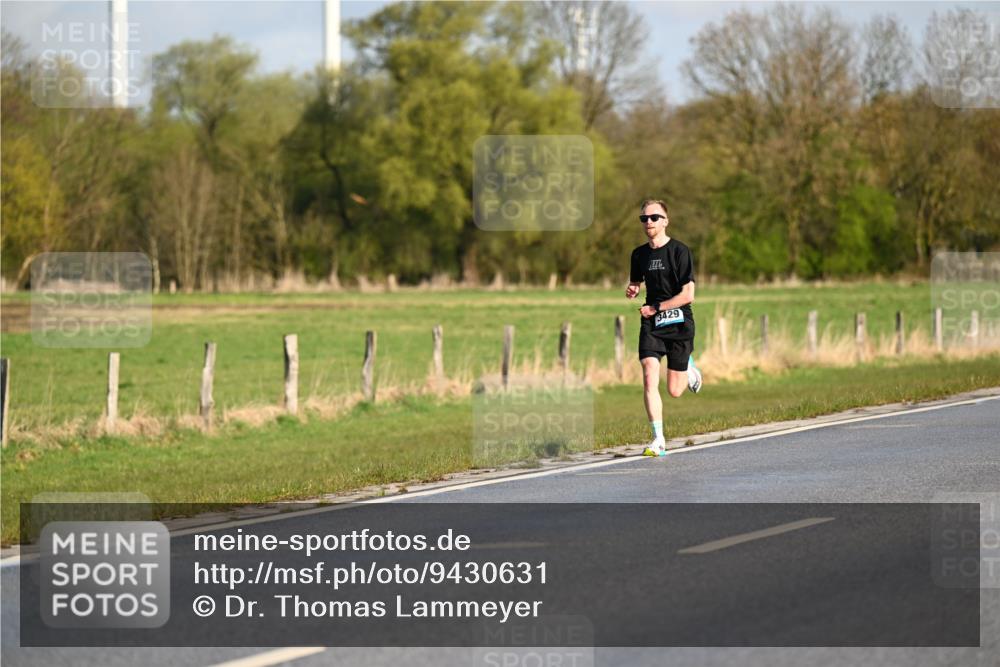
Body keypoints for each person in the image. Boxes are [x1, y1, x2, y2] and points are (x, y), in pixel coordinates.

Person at [625, 199, 702, 457]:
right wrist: (634, 289)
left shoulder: (679, 251)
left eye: (654, 217)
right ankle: (658, 440)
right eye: (644, 218)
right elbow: (636, 282)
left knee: (675, 391)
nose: (649, 222)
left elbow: (688, 295)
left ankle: (689, 369)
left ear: (665, 221)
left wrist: (657, 307)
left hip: (679, 322)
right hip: (652, 324)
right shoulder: (639, 254)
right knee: (648, 373)